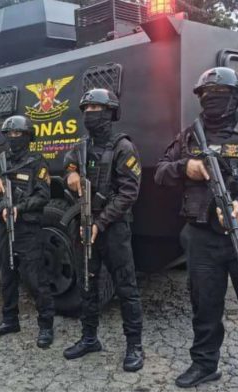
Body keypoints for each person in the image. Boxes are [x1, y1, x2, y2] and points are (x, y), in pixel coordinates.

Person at [154, 67, 238, 391]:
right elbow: (160, 172)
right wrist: (185, 167)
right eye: (207, 95)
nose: (213, 101)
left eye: (221, 95)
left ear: (237, 97)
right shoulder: (189, 135)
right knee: (205, 305)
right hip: (202, 236)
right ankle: (204, 365)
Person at [61, 88, 144, 372]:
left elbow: (129, 193)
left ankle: (134, 345)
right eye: (86, 109)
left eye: (96, 109)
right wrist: (71, 174)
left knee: (126, 287)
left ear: (110, 112)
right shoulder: (81, 146)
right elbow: (67, 164)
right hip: (85, 224)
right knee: (87, 283)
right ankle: (89, 337)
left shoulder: (123, 147)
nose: (89, 114)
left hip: (113, 227)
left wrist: (101, 222)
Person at [0, 115, 55, 348]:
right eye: (10, 134)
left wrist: (19, 207)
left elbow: (43, 195)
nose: (13, 138)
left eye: (18, 134)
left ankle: (46, 326)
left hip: (27, 228)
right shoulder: (0, 161)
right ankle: (9, 320)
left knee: (35, 278)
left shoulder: (37, 163)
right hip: (3, 227)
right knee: (6, 274)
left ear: (27, 137)